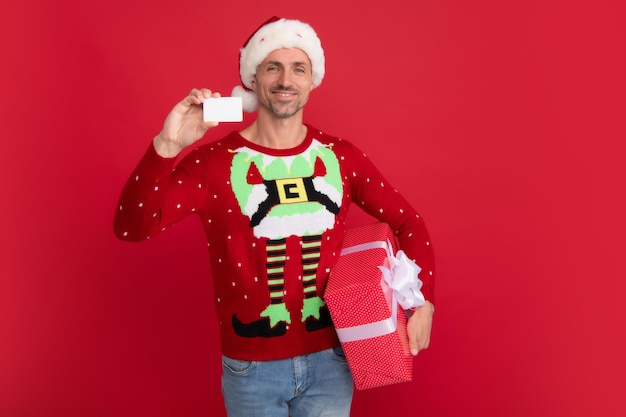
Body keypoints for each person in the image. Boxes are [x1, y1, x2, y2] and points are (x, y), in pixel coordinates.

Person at [114, 16, 435, 417]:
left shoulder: (341, 157)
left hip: (333, 361)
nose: (286, 80)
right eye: (273, 67)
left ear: (312, 79)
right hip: (252, 370)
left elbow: (409, 221)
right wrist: (166, 145)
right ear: (253, 79)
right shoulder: (213, 163)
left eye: (298, 68)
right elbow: (132, 226)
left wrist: (423, 302)